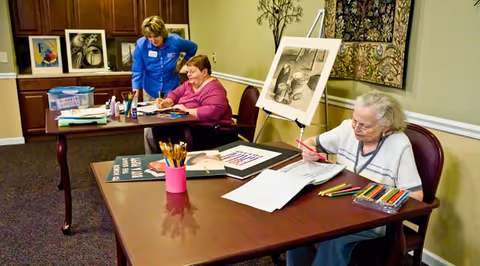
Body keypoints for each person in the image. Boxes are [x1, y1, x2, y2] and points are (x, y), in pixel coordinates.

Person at [286, 90, 423, 266]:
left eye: (365, 125)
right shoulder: (346, 129)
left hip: (373, 219)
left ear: (386, 126)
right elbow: (314, 142)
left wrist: (377, 198)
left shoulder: (399, 145)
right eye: (355, 121)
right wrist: (310, 150)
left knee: (333, 241)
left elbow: (416, 196)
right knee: (298, 225)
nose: (356, 128)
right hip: (338, 207)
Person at [145, 55, 233, 154]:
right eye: (188, 71)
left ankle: (173, 162)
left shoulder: (214, 88)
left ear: (204, 72)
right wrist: (168, 101)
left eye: (192, 72)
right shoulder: (190, 84)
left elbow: (212, 112)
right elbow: (176, 93)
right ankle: (165, 161)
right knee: (159, 128)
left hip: (210, 129)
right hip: (189, 124)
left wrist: (186, 110)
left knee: (165, 131)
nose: (188, 75)